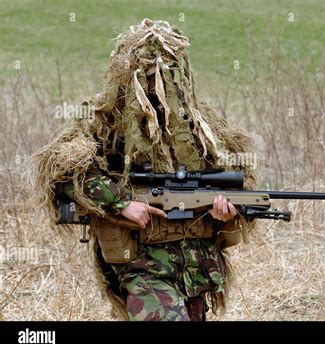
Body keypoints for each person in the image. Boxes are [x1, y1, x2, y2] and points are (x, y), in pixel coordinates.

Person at [34, 19, 256, 321]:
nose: (159, 84)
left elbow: (234, 184)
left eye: (168, 72)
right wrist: (122, 203)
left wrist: (225, 212)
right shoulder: (106, 121)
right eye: (150, 74)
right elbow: (66, 175)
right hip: (143, 268)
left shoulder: (202, 128)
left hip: (194, 270)